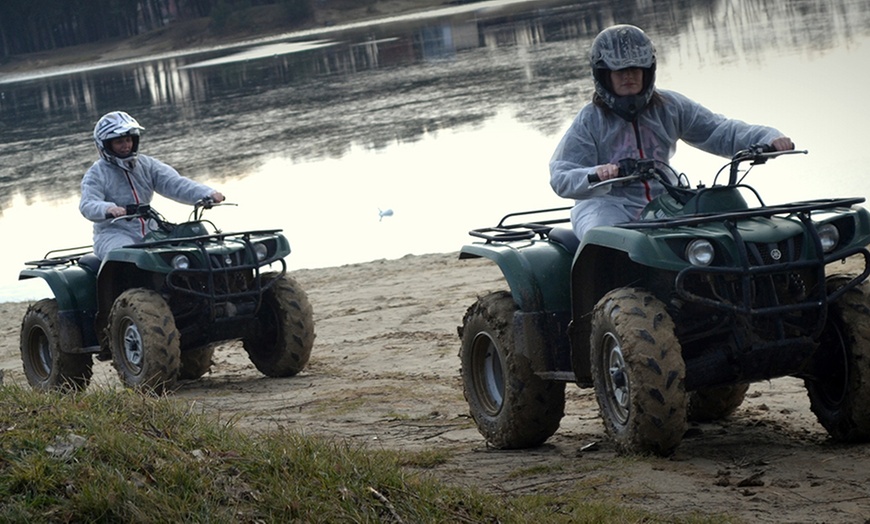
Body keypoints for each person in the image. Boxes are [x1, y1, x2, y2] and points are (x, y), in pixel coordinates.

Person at [549, 24, 794, 241]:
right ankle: (607, 293)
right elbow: (561, 176)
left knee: (727, 223)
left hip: (666, 201)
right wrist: (596, 174)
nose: (629, 76)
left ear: (648, 70)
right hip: (607, 205)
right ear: (604, 75)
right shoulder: (591, 119)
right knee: (606, 238)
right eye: (619, 70)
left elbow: (719, 131)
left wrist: (767, 138)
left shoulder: (670, 107)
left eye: (636, 68)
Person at [79, 111, 225, 258]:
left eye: (129, 140)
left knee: (190, 247)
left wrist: (207, 194)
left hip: (152, 231)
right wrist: (109, 209)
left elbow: (175, 183)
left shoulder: (146, 165)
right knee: (125, 255)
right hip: (113, 234)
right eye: (119, 142)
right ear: (105, 145)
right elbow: (88, 204)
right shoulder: (96, 173)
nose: (126, 146)